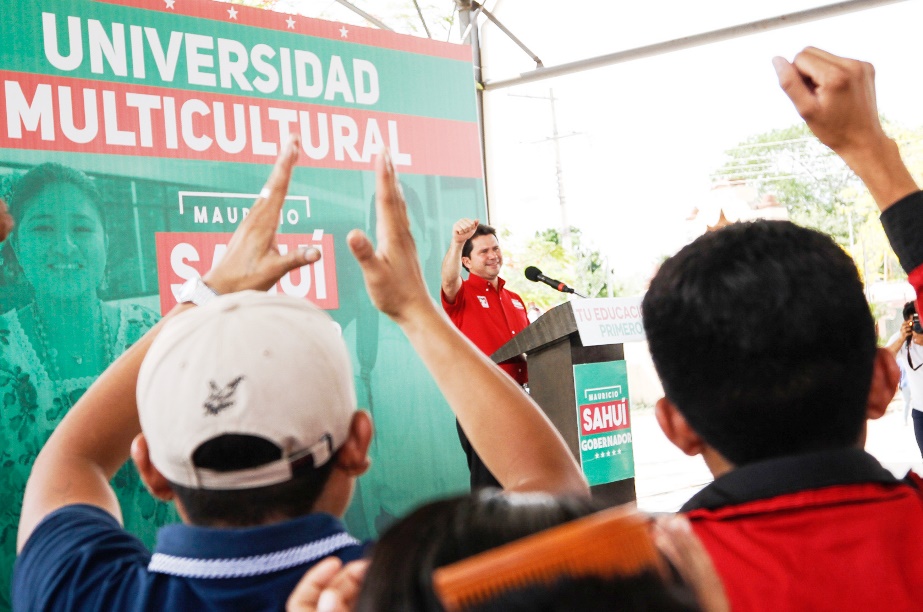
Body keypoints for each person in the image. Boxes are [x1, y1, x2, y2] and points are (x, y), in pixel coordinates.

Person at [13, 139, 587, 610]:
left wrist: (210, 293)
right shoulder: (418, 591)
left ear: (151, 468)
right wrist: (417, 310)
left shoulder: (83, 591)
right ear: (359, 445)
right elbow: (556, 492)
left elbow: (69, 460)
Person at [641, 47, 923, 611]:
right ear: (883, 379)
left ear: (676, 426)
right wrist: (872, 151)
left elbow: (535, 478)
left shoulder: (639, 585)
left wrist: (417, 314)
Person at [0, 163, 174, 610]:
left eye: (82, 228)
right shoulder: (2, 350)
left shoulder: (150, 337)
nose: (65, 246)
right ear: (16, 246)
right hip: (39, 590)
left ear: (105, 242)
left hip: (155, 589)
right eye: (42, 229)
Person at [441, 220, 530, 489]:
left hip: (523, 405)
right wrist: (457, 242)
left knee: (524, 488)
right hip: (482, 407)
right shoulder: (461, 294)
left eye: (496, 248)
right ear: (466, 261)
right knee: (491, 492)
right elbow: (448, 279)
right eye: (483, 252)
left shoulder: (514, 298)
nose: (493, 256)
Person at [887, 301, 923, 456]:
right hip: (920, 412)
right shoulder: (903, 338)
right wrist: (901, 338)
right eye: (913, 321)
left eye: (919, 320)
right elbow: (884, 359)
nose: (917, 325)